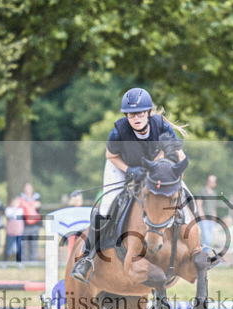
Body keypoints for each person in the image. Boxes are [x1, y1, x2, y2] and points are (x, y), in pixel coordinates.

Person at [71, 88, 189, 282]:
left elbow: (178, 155)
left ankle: (197, 246)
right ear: (126, 115)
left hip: (156, 169)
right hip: (120, 165)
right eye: (131, 114)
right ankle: (87, 257)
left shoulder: (162, 127)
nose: (136, 118)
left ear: (148, 113)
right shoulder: (118, 132)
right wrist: (129, 170)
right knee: (107, 204)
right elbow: (110, 156)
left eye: (140, 113)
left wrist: (169, 170)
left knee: (185, 193)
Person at [15, 183, 42, 262]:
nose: (28, 190)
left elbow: (37, 205)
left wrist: (26, 204)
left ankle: (33, 261)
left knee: (34, 244)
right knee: (25, 244)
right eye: (26, 188)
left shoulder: (36, 197)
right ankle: (24, 261)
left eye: (29, 188)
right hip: (25, 225)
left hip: (35, 225)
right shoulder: (21, 198)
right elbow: (16, 205)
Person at [196, 174, 219, 251]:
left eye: (213, 181)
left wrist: (214, 218)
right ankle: (203, 254)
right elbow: (199, 205)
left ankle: (203, 254)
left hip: (211, 219)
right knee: (207, 238)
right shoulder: (202, 191)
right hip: (204, 218)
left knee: (209, 239)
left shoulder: (214, 193)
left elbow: (214, 207)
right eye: (210, 181)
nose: (211, 183)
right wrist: (202, 217)